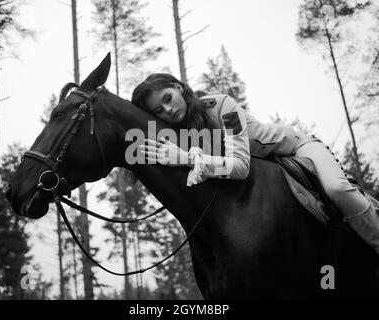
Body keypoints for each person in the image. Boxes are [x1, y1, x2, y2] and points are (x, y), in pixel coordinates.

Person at [131, 73, 379, 254]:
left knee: (337, 189)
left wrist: (185, 158)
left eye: (168, 97)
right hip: (267, 175)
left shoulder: (223, 107)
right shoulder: (180, 134)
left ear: (178, 87)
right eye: (159, 110)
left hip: (297, 150)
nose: (168, 109)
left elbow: (240, 166)